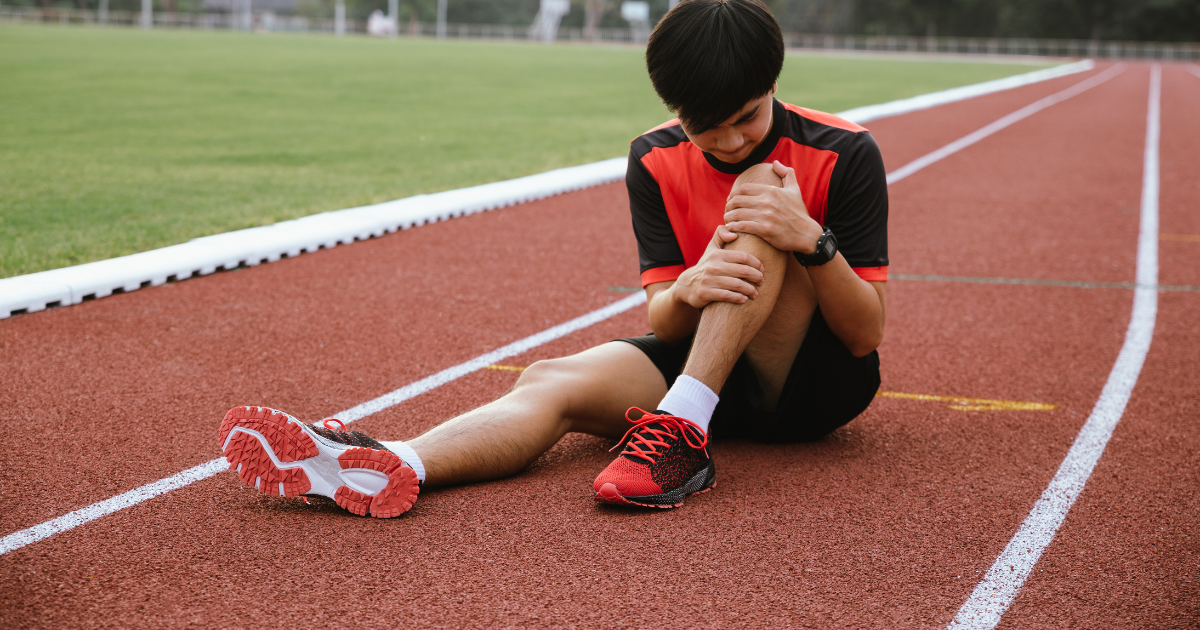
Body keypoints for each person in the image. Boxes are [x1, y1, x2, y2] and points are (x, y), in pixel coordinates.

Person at [216, 0, 888, 518]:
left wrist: (811, 240)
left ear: (774, 84)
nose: (732, 141)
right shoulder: (653, 156)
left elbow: (864, 335)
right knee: (549, 379)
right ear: (674, 110)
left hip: (813, 383)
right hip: (708, 370)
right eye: (705, 127)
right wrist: (688, 287)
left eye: (747, 116)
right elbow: (665, 320)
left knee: (763, 195)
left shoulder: (845, 150)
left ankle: (682, 429)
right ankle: (391, 462)